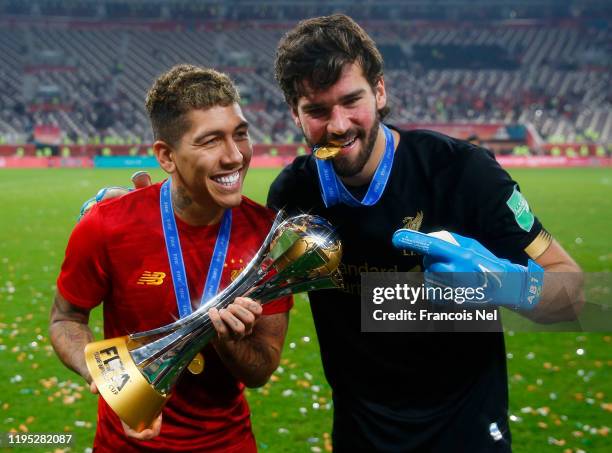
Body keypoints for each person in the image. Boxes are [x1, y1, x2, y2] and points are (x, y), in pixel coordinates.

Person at [268, 15, 584, 452]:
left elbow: (571, 296)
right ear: (295, 114)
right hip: (361, 433)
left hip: (465, 427)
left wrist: (506, 284)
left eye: (351, 100)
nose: (338, 126)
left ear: (380, 92)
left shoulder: (463, 172)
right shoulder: (294, 194)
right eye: (318, 111)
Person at [50, 64, 292, 452]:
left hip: (228, 443)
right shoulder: (108, 225)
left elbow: (261, 368)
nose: (235, 156)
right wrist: (111, 377)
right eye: (211, 140)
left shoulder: (267, 236)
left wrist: (230, 343)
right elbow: (66, 318)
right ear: (166, 155)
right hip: (123, 444)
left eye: (241, 134)